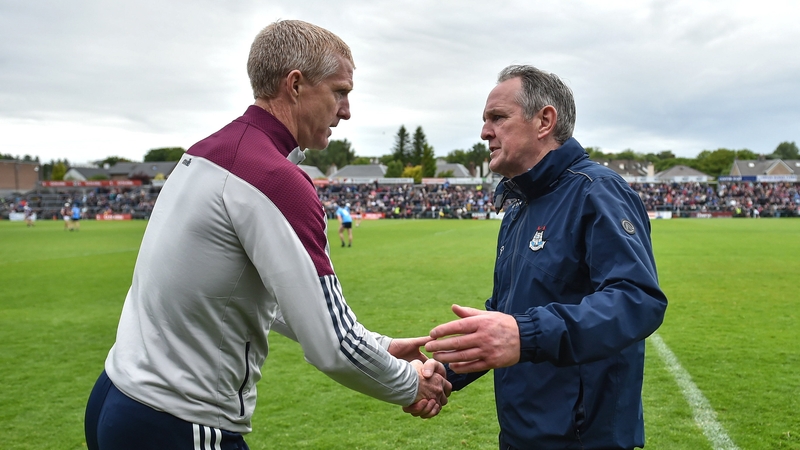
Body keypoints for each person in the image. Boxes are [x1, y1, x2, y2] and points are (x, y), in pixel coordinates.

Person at [84, 20, 450, 450]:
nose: (346, 110)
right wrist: (412, 385)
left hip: (117, 396)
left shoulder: (204, 152)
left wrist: (381, 347)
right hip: (181, 422)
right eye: (340, 91)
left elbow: (249, 296)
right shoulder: (275, 179)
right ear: (295, 85)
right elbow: (329, 345)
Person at [421, 65, 668, 449]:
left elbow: (637, 300)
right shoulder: (519, 204)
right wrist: (448, 371)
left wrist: (526, 334)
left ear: (544, 121)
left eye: (498, 118)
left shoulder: (596, 192)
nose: (485, 132)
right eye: (485, 120)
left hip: (583, 437)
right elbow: (508, 313)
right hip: (521, 434)